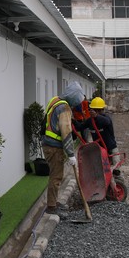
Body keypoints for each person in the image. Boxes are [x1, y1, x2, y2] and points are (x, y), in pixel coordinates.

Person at [42, 81, 85, 214]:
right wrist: (71, 154)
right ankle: (51, 207)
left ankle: (54, 202)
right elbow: (66, 133)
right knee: (56, 177)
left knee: (56, 175)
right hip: (54, 147)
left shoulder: (55, 100)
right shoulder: (65, 108)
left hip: (47, 144)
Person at [73, 96, 120, 171]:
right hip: (99, 150)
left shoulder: (106, 118)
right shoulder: (90, 121)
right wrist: (73, 120)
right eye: (94, 110)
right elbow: (79, 127)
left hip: (111, 149)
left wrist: (96, 116)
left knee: (116, 171)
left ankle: (118, 181)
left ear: (102, 110)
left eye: (98, 110)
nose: (96, 112)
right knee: (100, 171)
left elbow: (106, 122)